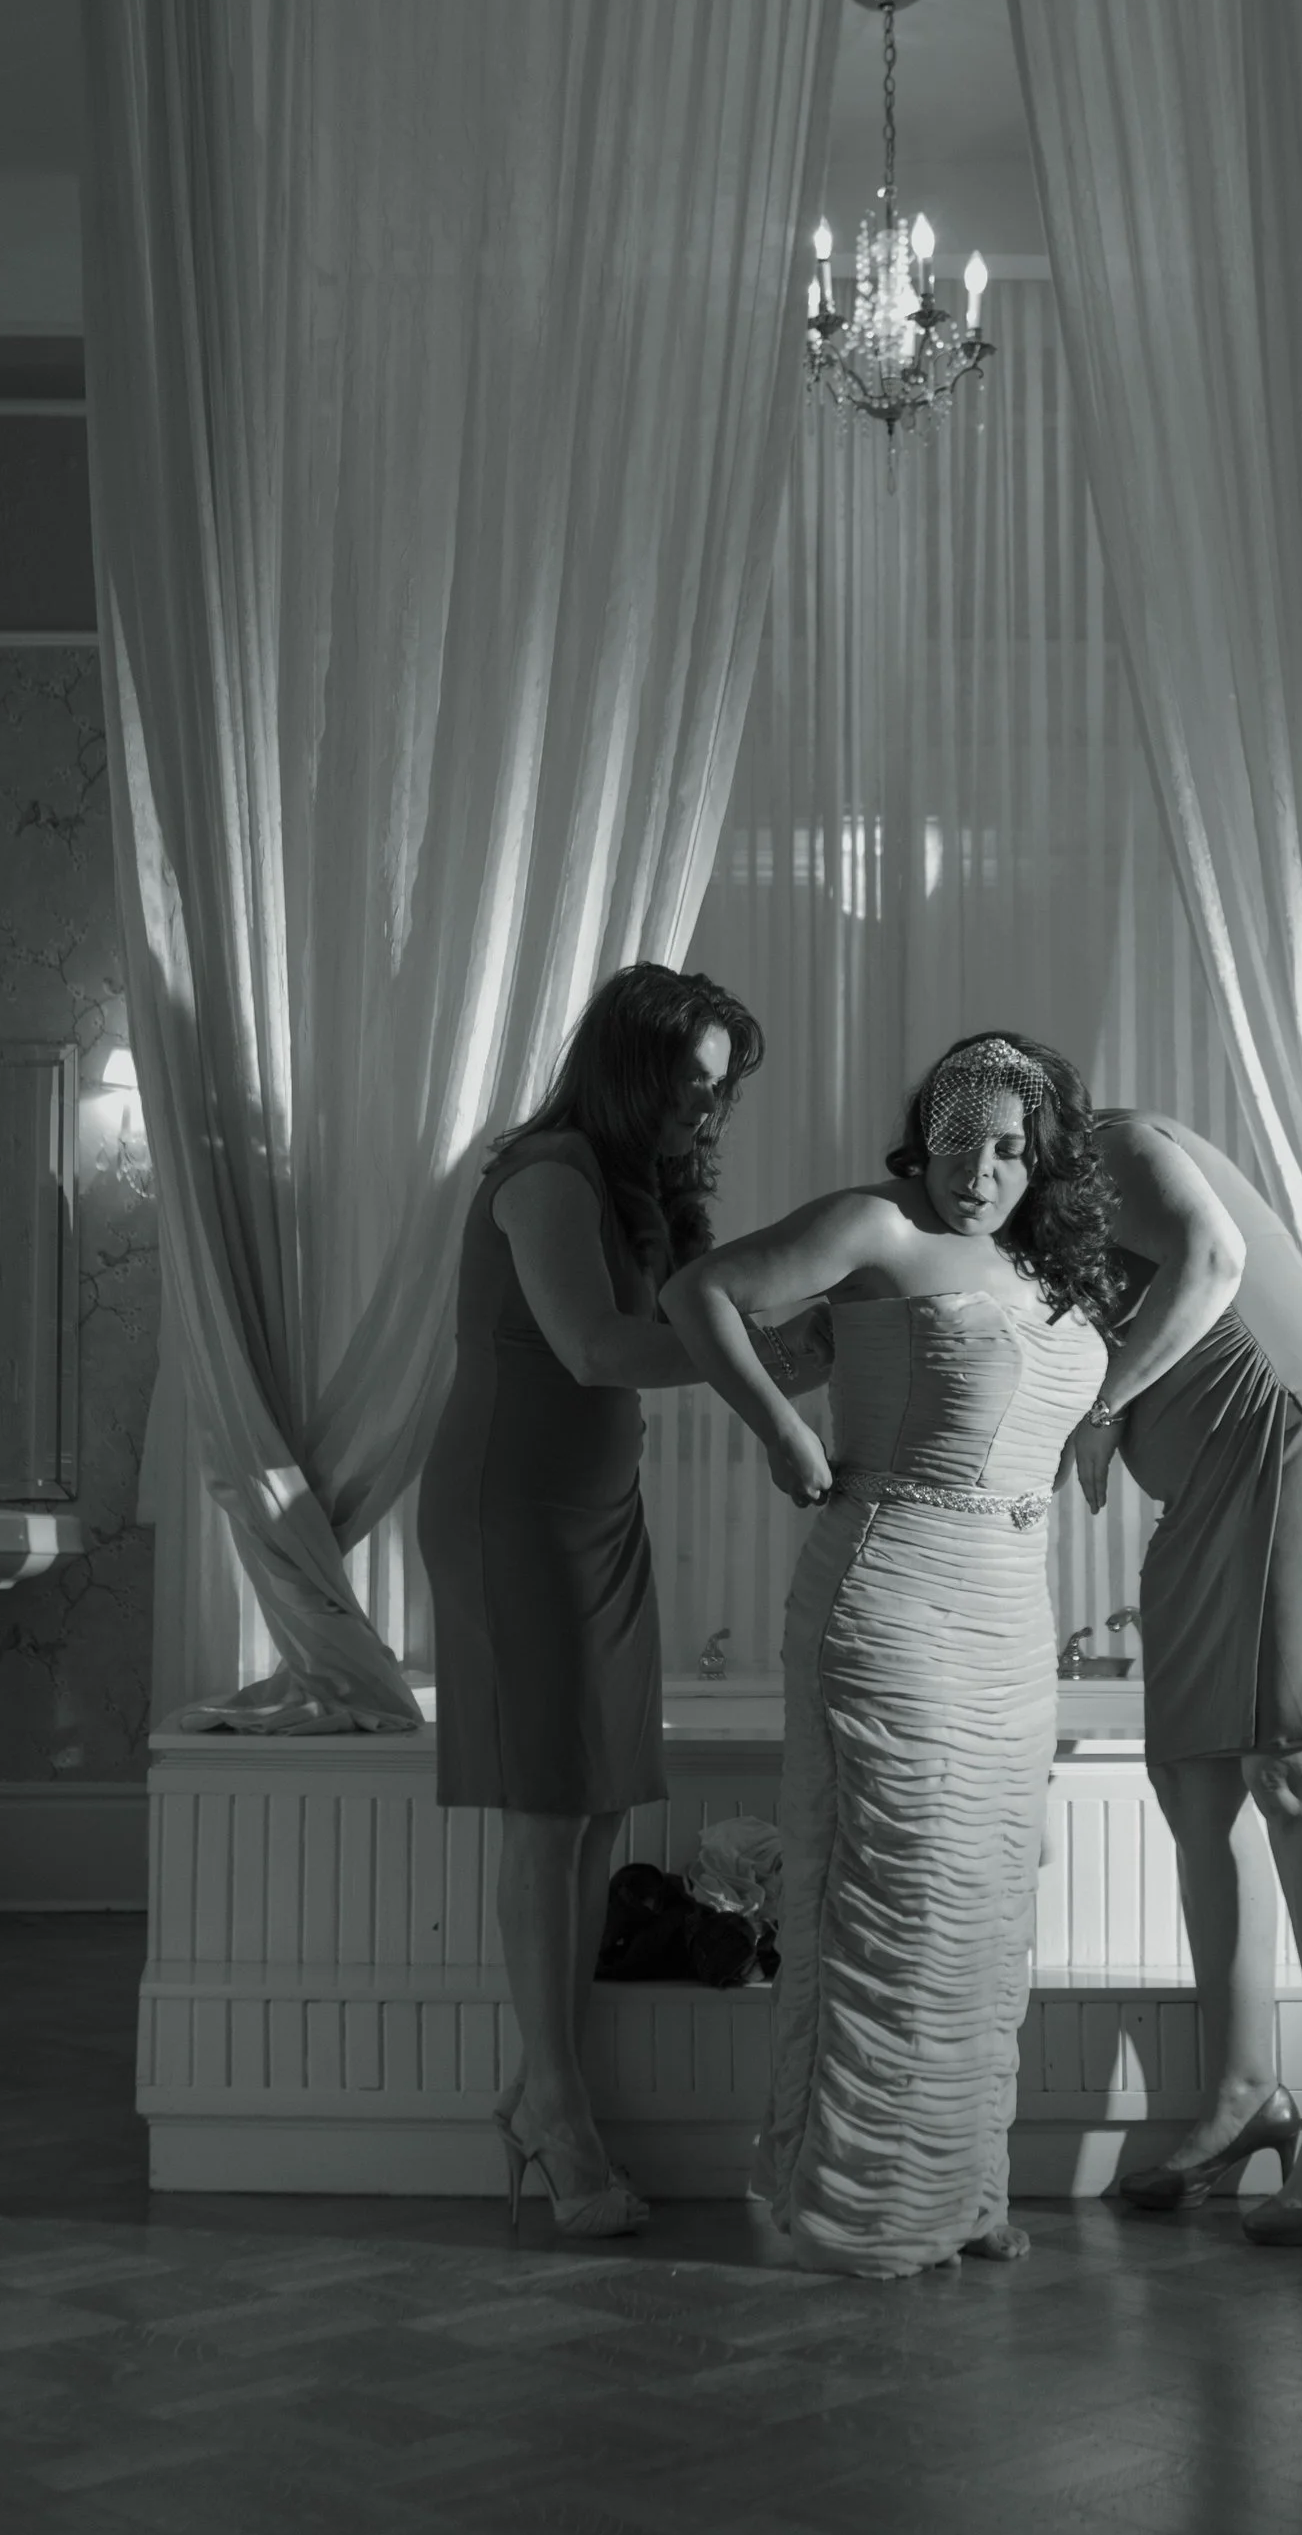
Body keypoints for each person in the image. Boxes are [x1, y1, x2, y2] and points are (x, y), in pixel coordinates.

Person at [661, 1034, 1112, 2278]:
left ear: (1045, 1154)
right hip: (893, 1596)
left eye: (1012, 1148)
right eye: (960, 1141)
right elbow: (697, 1293)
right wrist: (776, 1435)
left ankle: (960, 2190)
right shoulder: (877, 1228)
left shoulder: (1046, 1263)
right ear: (926, 1136)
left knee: (980, 1908)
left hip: (1011, 1618)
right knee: (894, 1895)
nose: (980, 1171)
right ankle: (864, 2207)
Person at [418, 963, 767, 2242]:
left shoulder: (639, 1183)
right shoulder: (551, 1170)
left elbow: (689, 1319)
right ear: (627, 1070)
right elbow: (595, 1351)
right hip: (509, 1509)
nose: (703, 1114)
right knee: (545, 1806)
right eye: (687, 1086)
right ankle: (557, 2116)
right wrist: (766, 1355)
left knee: (598, 1801)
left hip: (595, 1515)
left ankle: (538, 2086)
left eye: (717, 1094)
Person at [1068, 1113, 1302, 2247]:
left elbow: (1213, 1261)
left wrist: (1098, 1414)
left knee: (1292, 1779)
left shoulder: (1117, 1144)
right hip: (1203, 1492)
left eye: (1005, 1129)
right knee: (1193, 1786)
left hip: (1297, 1441)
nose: (985, 1158)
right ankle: (1242, 2096)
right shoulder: (1011, 1221)